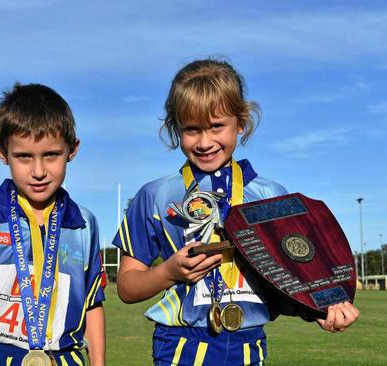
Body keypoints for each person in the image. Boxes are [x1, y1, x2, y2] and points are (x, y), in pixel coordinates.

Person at [113, 59, 359, 365]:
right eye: (191, 129)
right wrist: (168, 272)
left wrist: (319, 311)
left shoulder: (271, 196)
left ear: (241, 123)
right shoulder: (155, 195)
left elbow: (288, 281)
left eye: (217, 126)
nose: (205, 142)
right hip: (180, 346)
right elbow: (127, 286)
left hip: (249, 344)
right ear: (175, 128)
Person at [0, 83, 105, 366]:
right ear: (3, 153)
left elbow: (93, 305)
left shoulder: (84, 224)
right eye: (24, 156)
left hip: (64, 358)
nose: (38, 171)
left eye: (51, 155)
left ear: (72, 149)